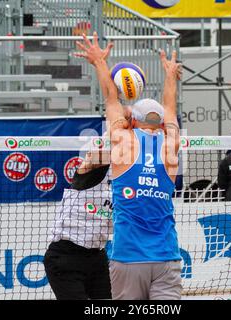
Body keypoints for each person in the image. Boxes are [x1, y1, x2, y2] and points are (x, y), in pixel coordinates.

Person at [75, 32, 182, 300]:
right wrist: (169, 76)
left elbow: (111, 100)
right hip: (166, 256)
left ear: (132, 120)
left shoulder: (123, 142)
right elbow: (170, 109)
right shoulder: (171, 145)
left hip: (128, 257)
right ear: (159, 123)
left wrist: (100, 62)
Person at [44, 148, 113, 300]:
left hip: (97, 256)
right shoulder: (89, 177)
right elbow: (102, 152)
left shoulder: (127, 186)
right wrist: (130, 131)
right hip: (66, 256)